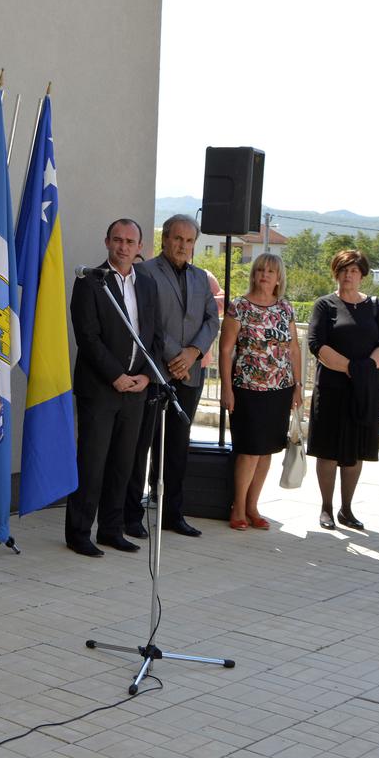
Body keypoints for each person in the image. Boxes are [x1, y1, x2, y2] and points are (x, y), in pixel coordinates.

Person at [66, 219, 159, 556]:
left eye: (130, 242)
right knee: (92, 464)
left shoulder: (147, 284)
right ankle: (79, 533)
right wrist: (115, 375)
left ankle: (111, 529)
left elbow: (153, 334)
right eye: (117, 240)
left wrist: (146, 376)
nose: (123, 246)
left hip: (136, 388)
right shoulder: (90, 281)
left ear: (140, 247)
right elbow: (87, 336)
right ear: (107, 242)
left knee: (123, 463)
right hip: (100, 389)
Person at [127, 214, 218, 538]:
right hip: (154, 372)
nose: (183, 245)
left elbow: (212, 320)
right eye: (178, 238)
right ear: (165, 239)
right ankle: (131, 516)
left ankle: (171, 515)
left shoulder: (200, 277)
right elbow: (145, 320)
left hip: (190, 373)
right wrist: (174, 355)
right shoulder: (144, 272)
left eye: (189, 240)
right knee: (141, 446)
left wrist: (193, 352)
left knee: (178, 447)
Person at [306, 249, 379, 530]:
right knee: (328, 450)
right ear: (336, 273)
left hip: (364, 390)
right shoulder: (324, 305)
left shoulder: (376, 306)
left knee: (355, 451)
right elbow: (316, 344)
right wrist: (351, 368)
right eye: (344, 270)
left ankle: (347, 509)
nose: (348, 275)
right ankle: (326, 509)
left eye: (354, 270)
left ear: (362, 275)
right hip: (332, 389)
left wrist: (366, 368)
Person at [218, 253, 302, 530]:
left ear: (279, 278)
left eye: (271, 271)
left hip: (280, 389)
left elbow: (294, 349)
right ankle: (238, 507)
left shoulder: (286, 308)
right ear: (254, 274)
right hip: (247, 389)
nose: (265, 275)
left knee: (267, 450)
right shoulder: (239, 306)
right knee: (249, 450)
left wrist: (298, 386)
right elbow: (225, 349)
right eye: (260, 270)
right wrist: (227, 389)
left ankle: (254, 507)